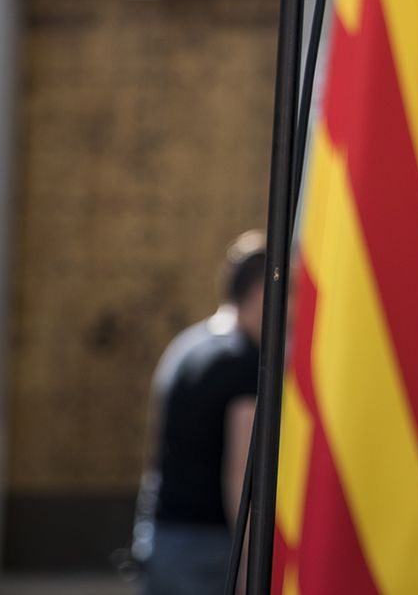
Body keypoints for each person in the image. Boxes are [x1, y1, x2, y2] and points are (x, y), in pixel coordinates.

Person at [132, 231, 265, 595]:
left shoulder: (187, 345)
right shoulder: (243, 362)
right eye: (291, 291)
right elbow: (241, 472)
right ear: (259, 293)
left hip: (163, 535)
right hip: (209, 549)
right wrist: (249, 566)